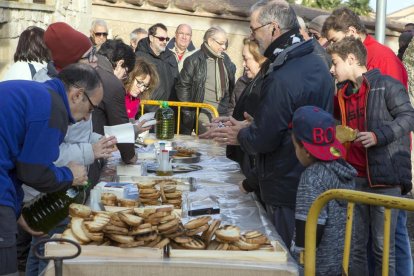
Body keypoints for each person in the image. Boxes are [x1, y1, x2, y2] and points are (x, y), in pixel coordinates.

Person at [205, 0, 334, 248]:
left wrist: (242, 135)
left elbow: (266, 137)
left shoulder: (285, 72)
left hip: (284, 181)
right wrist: (251, 126)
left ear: (273, 28)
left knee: (284, 255)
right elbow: (293, 120)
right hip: (307, 178)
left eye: (254, 29)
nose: (252, 36)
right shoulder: (314, 61)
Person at [322, 8, 412, 275]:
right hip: (355, 178)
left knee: (384, 250)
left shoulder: (385, 83)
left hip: (384, 179)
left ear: (351, 59)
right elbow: (339, 124)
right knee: (355, 248)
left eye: (335, 62)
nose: (331, 69)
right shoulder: (342, 92)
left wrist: (378, 136)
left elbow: (408, 117)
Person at [0, 63, 102, 276]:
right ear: (76, 95)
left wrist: (17, 211)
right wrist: (70, 175)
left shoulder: (39, 95)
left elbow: (16, 166)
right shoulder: (52, 107)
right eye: (90, 109)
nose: (86, 118)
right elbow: (33, 172)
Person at [290, 105, 356, 275]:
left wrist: (294, 266)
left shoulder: (312, 177)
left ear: (305, 150)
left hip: (315, 268)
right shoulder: (344, 170)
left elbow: (306, 242)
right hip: (341, 266)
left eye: (294, 146)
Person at [322, 7, 408, 88]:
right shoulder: (343, 58)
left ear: (352, 32)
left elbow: (392, 99)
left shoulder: (383, 58)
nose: (331, 46)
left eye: (334, 40)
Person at [94, 39, 150, 164]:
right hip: (91, 148)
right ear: (120, 63)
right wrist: (130, 157)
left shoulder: (88, 66)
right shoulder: (112, 84)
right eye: (126, 72)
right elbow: (119, 127)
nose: (125, 78)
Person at [224, 38, 266, 196]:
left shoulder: (263, 85)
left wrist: (243, 131)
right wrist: (227, 123)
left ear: (260, 59)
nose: (243, 64)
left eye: (246, 59)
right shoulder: (255, 81)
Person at [175, 26, 236, 135]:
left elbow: (230, 84)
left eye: (225, 44)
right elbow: (183, 86)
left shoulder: (225, 59)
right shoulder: (194, 60)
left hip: (224, 113)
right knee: (212, 143)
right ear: (210, 41)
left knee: (223, 147)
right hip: (204, 112)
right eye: (221, 43)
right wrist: (189, 112)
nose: (223, 47)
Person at [135, 23, 178, 106]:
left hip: (168, 109)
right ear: (151, 38)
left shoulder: (170, 57)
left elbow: (176, 82)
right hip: (146, 109)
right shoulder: (140, 56)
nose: (165, 41)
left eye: (167, 39)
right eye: (161, 39)